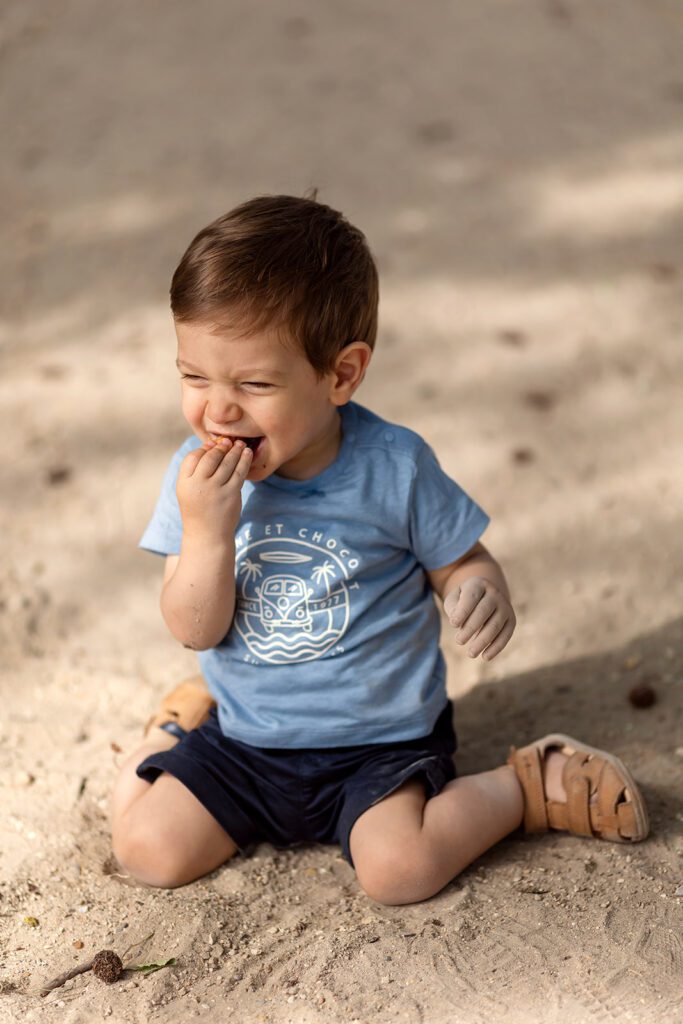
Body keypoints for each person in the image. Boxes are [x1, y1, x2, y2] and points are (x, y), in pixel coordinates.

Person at [110, 194, 649, 903]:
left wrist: (477, 588)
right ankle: (173, 731)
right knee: (146, 851)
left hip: (378, 743)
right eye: (193, 376)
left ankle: (527, 786)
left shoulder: (393, 466)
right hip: (246, 740)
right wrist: (208, 531)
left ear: (340, 374)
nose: (217, 408)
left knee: (399, 872)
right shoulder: (196, 482)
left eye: (254, 383)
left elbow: (462, 562)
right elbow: (193, 627)